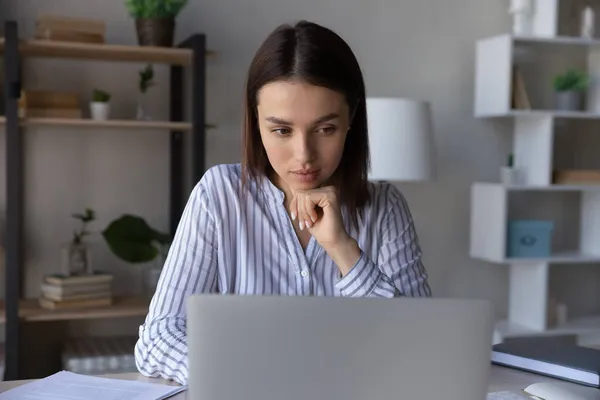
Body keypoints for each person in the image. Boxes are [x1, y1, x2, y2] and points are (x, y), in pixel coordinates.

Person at [134, 20, 432, 385]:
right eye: (281, 130)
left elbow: (419, 346)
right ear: (255, 119)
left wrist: (343, 250)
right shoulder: (219, 196)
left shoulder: (385, 207)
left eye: (325, 129)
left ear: (351, 118)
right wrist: (243, 379)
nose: (303, 155)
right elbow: (157, 338)